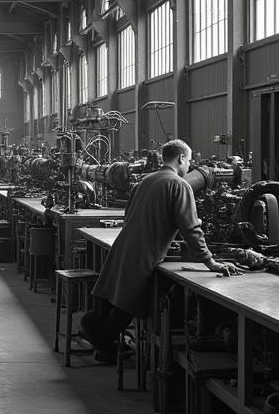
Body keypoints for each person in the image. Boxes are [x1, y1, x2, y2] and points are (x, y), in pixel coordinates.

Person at [78, 138, 241, 363]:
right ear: (181, 158)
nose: (189, 167)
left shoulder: (145, 180)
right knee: (130, 301)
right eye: (189, 161)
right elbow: (191, 228)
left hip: (124, 245)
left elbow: (128, 214)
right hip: (145, 253)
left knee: (117, 296)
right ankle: (103, 337)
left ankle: (102, 344)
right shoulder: (179, 185)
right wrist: (210, 261)